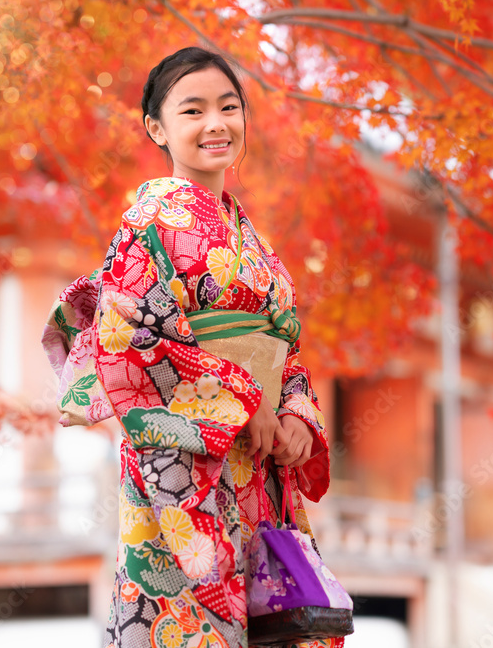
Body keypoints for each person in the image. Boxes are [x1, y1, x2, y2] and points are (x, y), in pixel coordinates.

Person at [46, 46, 337, 648]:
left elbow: (286, 342)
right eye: (194, 110)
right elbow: (130, 339)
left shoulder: (247, 232)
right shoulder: (147, 224)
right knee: (187, 616)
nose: (216, 124)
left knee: (274, 616)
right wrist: (243, 398)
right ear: (156, 127)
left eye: (229, 108)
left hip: (258, 460)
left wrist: (294, 414)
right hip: (185, 467)